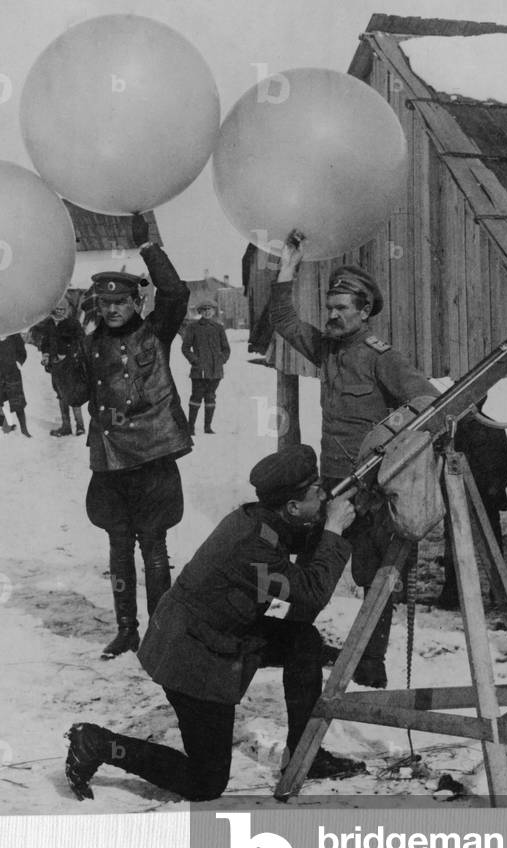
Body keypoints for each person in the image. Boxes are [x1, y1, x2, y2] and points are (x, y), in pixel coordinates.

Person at [65, 444, 365, 801]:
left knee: (303, 642)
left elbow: (298, 539)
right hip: (192, 658)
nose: (325, 494)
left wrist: (343, 514)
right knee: (205, 782)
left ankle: (305, 755)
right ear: (293, 507)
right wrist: (332, 529)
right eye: (317, 490)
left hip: (220, 634)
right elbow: (311, 592)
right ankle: (97, 743)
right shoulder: (252, 548)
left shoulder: (261, 519)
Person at [272, 234, 438, 688]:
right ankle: (292, 645)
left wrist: (394, 449)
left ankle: (371, 662)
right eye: (329, 307)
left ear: (364, 312)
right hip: (330, 488)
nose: (332, 315)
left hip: (371, 492)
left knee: (376, 577)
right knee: (313, 568)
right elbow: (284, 319)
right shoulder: (327, 349)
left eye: (342, 308)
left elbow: (428, 402)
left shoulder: (381, 358)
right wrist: (288, 266)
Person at [84, 214, 192, 660]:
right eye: (105, 303)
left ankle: (159, 630)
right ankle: (126, 628)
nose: (112, 309)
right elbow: (74, 393)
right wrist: (69, 348)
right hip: (110, 459)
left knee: (153, 544)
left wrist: (148, 249)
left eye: (122, 302)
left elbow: (177, 292)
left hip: (153, 454)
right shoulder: (90, 345)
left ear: (136, 302)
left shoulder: (155, 332)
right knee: (117, 544)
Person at [437, 396, 507, 608]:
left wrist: (494, 489)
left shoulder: (493, 427)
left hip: (486, 499)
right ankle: (452, 594)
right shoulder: (452, 430)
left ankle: (498, 596)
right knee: (454, 545)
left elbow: (506, 462)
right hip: (458, 497)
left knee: (492, 549)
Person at [181, 299, 231, 434]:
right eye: (204, 310)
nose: (207, 312)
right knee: (196, 397)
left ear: (214, 312)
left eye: (210, 310)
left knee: (211, 397)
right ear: (200, 312)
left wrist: (222, 360)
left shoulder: (219, 328)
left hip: (215, 370)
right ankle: (190, 427)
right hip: (199, 370)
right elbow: (185, 348)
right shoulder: (193, 327)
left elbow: (226, 349)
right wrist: (195, 361)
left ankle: (207, 427)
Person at [38, 295, 86, 437]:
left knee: (72, 394)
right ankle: (66, 426)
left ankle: (80, 426)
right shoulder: (50, 324)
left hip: (70, 366)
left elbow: (80, 342)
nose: (59, 312)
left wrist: (67, 353)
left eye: (62, 309)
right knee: (60, 394)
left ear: (66, 310)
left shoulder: (73, 324)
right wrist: (46, 355)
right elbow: (45, 342)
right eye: (57, 309)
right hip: (55, 366)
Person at [0, 333, 31, 438]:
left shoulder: (15, 336)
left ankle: (24, 429)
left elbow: (22, 353)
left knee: (18, 401)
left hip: (12, 373)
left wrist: (18, 363)